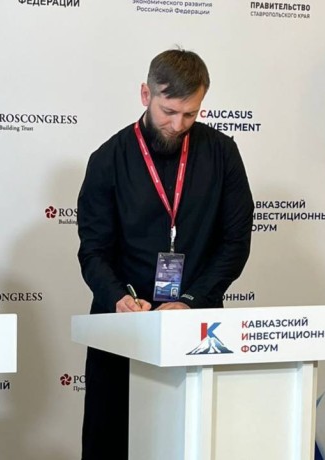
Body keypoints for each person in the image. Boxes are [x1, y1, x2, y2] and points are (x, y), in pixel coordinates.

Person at [76, 49, 254, 459]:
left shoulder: (222, 153)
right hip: (122, 325)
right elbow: (93, 250)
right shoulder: (108, 159)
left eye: (190, 114)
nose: (178, 125)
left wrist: (191, 301)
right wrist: (117, 297)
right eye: (169, 111)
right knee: (112, 439)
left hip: (198, 323)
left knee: (193, 440)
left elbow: (235, 243)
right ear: (146, 94)